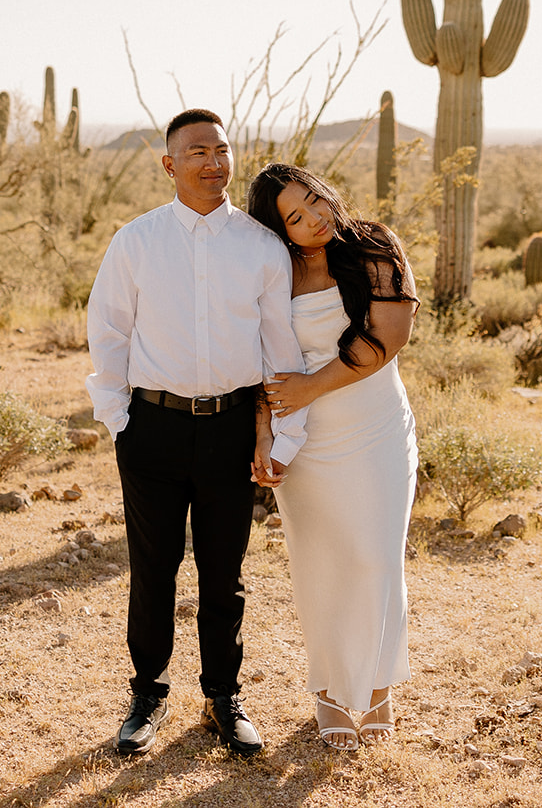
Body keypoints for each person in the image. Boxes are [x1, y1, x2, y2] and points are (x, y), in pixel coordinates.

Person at [85, 110, 308, 758]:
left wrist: (279, 437)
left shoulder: (262, 247)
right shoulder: (137, 241)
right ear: (169, 165)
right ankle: (147, 697)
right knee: (153, 569)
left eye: (221, 149)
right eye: (196, 152)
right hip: (151, 427)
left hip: (232, 429)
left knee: (224, 571)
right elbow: (109, 332)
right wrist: (119, 422)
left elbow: (279, 350)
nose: (213, 162)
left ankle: (223, 698)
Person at [246, 162, 420, 752]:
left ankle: (375, 688)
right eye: (295, 216)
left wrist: (308, 388)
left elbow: (387, 339)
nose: (314, 217)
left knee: (376, 558)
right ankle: (327, 689)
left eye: (315, 200)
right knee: (322, 562)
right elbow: (263, 363)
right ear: (279, 231)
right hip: (309, 444)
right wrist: (266, 434)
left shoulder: (374, 246)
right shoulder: (272, 271)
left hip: (376, 429)